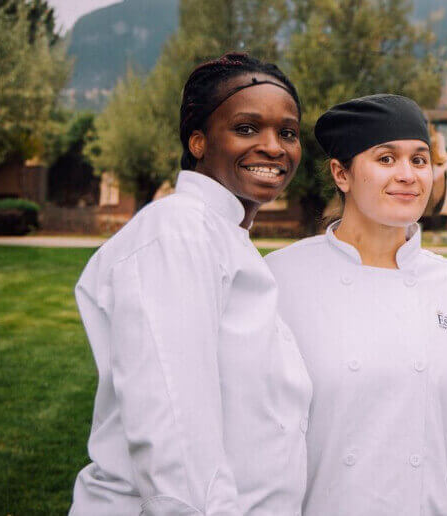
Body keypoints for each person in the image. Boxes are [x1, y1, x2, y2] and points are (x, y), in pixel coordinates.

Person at [70, 52, 312, 515]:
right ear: (198, 141)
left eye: (288, 132)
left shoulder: (227, 238)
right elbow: (173, 431)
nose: (274, 147)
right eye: (246, 128)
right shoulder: (177, 231)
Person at [263, 94, 447, 514]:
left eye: (419, 160)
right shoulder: (279, 280)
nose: (408, 175)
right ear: (341, 174)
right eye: (386, 159)